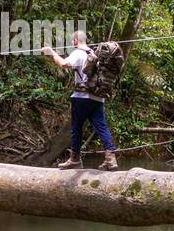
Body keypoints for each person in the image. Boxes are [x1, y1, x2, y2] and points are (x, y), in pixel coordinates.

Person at [41, 30, 118, 170]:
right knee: (102, 127)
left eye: (73, 41)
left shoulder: (78, 53)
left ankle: (75, 159)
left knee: (76, 127)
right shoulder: (95, 53)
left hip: (81, 97)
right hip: (98, 97)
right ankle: (111, 159)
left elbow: (64, 64)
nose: (73, 43)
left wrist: (51, 52)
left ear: (76, 40)